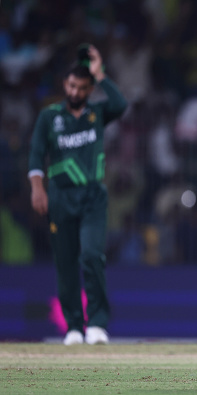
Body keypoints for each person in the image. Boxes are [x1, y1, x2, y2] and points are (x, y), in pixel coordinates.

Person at [28, 44, 128, 345]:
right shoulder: (50, 117)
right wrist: (37, 189)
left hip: (93, 198)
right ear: (65, 85)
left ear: (88, 89)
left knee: (92, 256)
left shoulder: (96, 113)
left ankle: (97, 323)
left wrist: (100, 74)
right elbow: (35, 155)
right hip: (59, 197)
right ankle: (73, 326)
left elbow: (121, 104)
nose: (76, 92)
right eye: (72, 86)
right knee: (66, 262)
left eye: (83, 88)